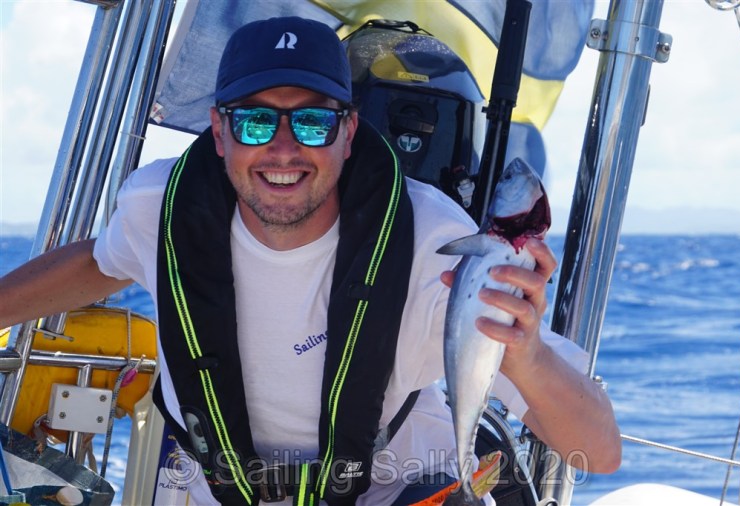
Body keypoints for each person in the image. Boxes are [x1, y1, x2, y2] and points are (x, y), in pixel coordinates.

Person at [0, 16, 620, 506]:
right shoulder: (158, 209)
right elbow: (103, 262)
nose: (283, 149)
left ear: (348, 133)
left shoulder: (433, 244)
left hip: (397, 491)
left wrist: (525, 352)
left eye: (314, 122)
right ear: (218, 132)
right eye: (255, 122)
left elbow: (598, 450)